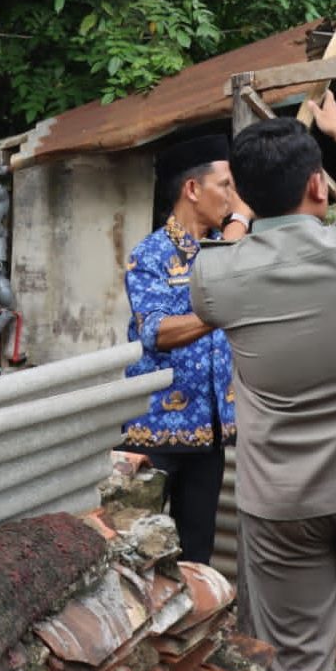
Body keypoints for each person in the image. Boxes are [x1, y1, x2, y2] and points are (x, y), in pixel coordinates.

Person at [191, 99, 336, 671]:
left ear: (240, 191)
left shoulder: (215, 276)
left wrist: (243, 212)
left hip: (281, 498)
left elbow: (229, 252)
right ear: (318, 184)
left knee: (295, 656)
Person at [120, 134, 238, 565]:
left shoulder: (222, 252)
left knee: (197, 552)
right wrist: (220, 312)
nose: (232, 196)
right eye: (224, 185)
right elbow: (156, 332)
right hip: (154, 432)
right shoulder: (149, 254)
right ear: (193, 189)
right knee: (138, 550)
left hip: (209, 432)